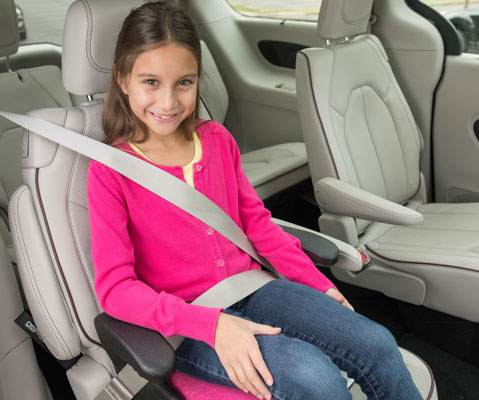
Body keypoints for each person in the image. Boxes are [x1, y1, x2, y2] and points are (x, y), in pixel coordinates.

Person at [88, 2, 423, 399]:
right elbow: (115, 289)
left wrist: (317, 285)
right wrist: (210, 324)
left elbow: (257, 225)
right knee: (314, 378)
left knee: (377, 343)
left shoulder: (215, 140)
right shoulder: (111, 171)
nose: (168, 102)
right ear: (122, 80)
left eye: (184, 82)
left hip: (254, 288)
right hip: (187, 325)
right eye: (150, 82)